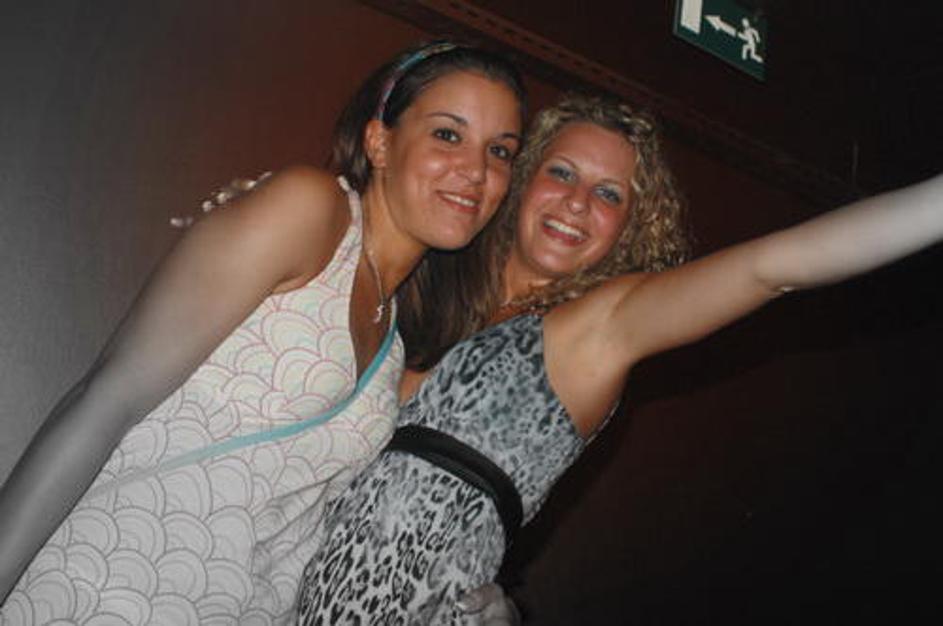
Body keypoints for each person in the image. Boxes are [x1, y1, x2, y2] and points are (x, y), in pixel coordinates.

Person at [292, 93, 943, 625]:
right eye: (562, 173)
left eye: (609, 195)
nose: (578, 203)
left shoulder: (595, 331)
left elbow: (770, 268)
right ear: (521, 180)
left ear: (629, 228)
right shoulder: (423, 287)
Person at [0, 41, 525, 624]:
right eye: (448, 134)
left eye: (500, 151)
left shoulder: (395, 342)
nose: (476, 171)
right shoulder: (310, 210)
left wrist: (471, 596)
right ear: (379, 142)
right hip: (91, 593)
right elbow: (105, 400)